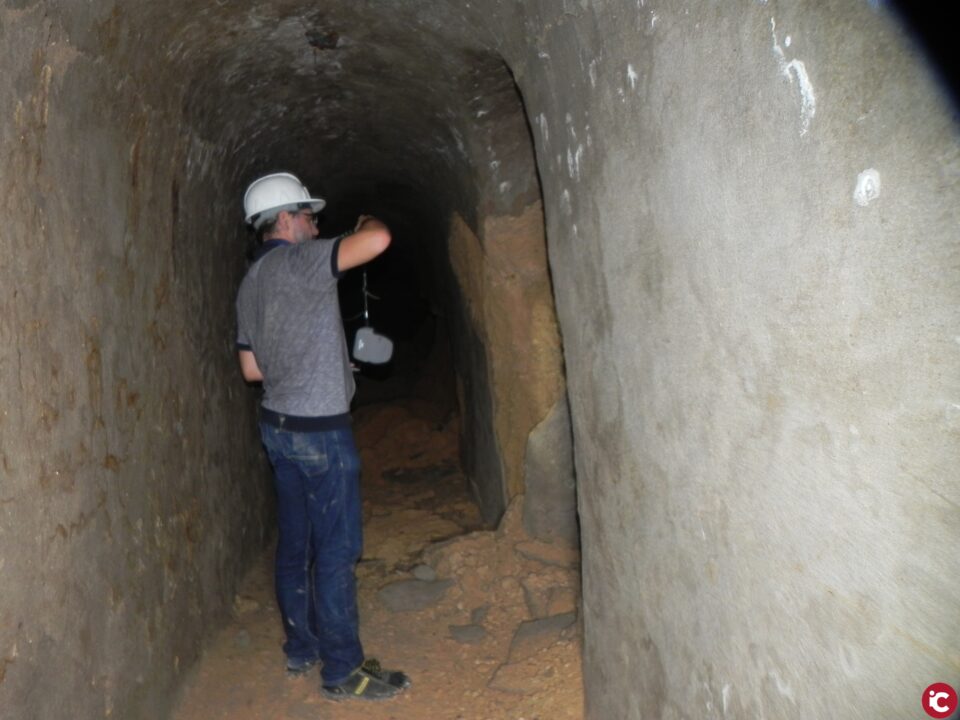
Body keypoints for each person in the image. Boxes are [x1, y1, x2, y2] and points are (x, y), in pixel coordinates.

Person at [234, 172, 410, 701]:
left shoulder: (250, 283)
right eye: (309, 216)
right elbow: (377, 241)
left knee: (296, 544)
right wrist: (367, 222)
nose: (316, 225)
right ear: (285, 219)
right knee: (336, 550)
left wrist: (304, 358)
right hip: (320, 433)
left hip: (278, 427)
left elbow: (251, 370)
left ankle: (301, 648)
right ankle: (342, 670)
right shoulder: (303, 261)